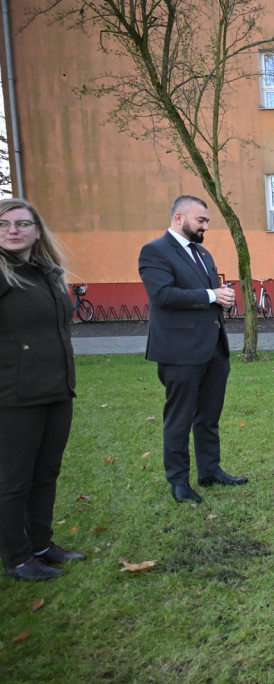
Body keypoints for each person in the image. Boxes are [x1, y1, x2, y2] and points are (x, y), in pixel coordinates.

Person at [138, 195, 247, 505]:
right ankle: (179, 482)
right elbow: (163, 295)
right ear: (179, 218)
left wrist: (222, 297)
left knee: (208, 416)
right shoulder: (155, 252)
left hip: (213, 348)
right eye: (201, 220)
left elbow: (210, 294)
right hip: (179, 352)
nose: (206, 226)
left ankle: (210, 471)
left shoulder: (202, 253)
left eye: (207, 221)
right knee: (179, 419)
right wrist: (211, 295)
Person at [1, 198, 84, 581]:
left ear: (37, 230)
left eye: (21, 223)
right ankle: (17, 558)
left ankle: (41, 543)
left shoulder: (47, 272)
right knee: (13, 478)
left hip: (56, 388)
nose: (12, 231)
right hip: (14, 395)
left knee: (46, 472)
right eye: (3, 225)